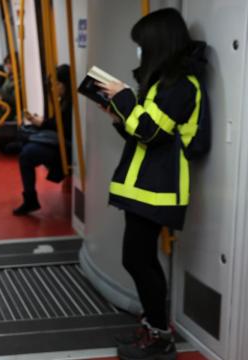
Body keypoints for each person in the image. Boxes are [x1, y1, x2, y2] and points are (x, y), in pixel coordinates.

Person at [97, 8, 208, 360]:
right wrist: (119, 116)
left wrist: (125, 98)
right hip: (142, 187)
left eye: (142, 45)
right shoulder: (162, 84)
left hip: (158, 189)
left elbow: (152, 133)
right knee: (138, 259)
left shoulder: (182, 86)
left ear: (158, 44)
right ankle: (153, 326)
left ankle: (160, 336)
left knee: (139, 260)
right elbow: (142, 132)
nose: (139, 52)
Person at [13, 64, 72, 216]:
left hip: (66, 146)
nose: (54, 88)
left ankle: (30, 199)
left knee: (26, 155)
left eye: (57, 84)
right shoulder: (64, 100)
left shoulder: (72, 104)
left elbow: (63, 127)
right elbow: (56, 123)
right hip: (58, 140)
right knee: (27, 143)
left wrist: (42, 123)